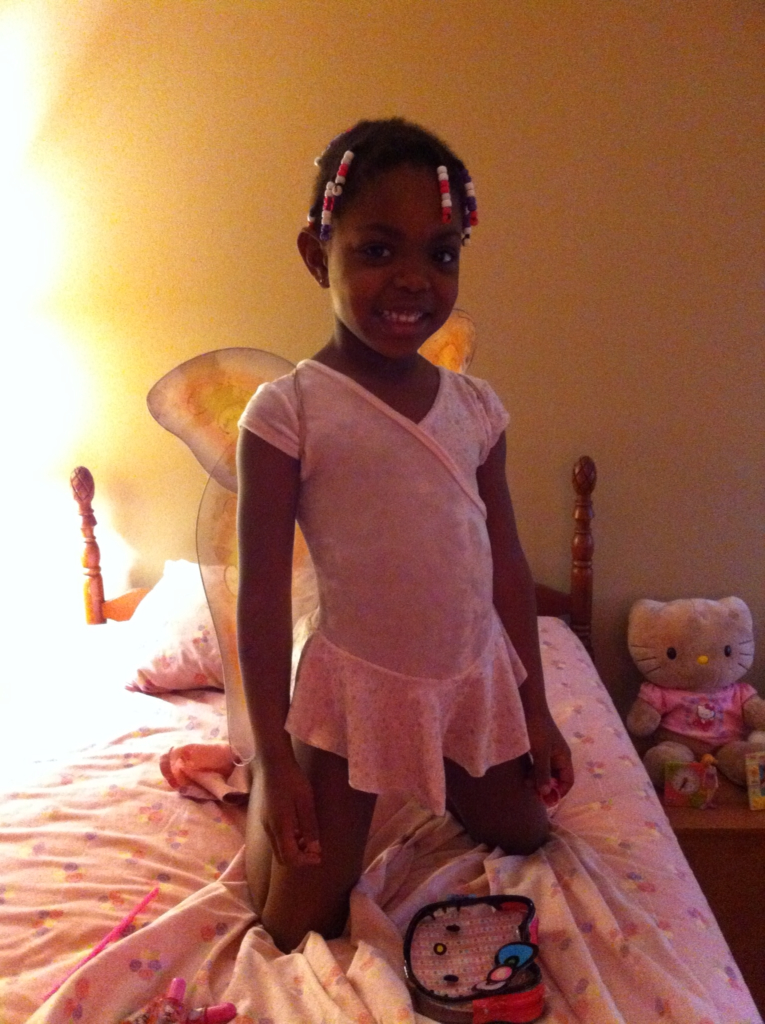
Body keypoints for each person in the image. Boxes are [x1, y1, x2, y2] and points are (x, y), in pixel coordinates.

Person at [236, 118, 574, 953]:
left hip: (466, 677)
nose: (413, 279)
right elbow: (262, 596)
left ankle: (440, 769)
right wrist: (274, 759)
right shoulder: (288, 413)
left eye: (441, 253)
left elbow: (504, 565)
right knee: (292, 921)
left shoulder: (476, 410)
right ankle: (268, 783)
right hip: (357, 691)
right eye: (378, 250)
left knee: (527, 834)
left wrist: (533, 709)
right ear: (317, 254)